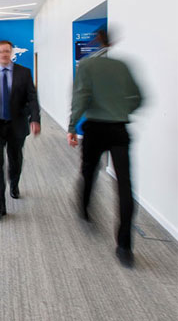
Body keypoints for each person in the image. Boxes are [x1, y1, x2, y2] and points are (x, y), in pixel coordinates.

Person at [67, 29, 143, 268]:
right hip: (119, 129)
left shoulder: (87, 66)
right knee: (125, 186)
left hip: (95, 129)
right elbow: (139, 97)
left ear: (95, 41)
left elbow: (81, 98)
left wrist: (72, 126)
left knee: (89, 171)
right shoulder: (123, 66)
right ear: (113, 41)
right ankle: (124, 247)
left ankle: (85, 210)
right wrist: (121, 111)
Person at [0, 40, 41, 222]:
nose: (3, 54)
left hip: (17, 124)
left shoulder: (24, 72)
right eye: (0, 51)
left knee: (15, 159)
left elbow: (33, 99)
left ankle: (14, 183)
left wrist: (35, 119)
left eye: (6, 51)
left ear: (11, 53)